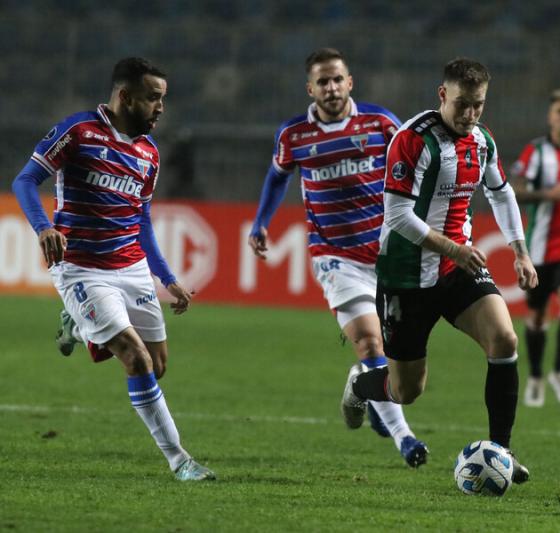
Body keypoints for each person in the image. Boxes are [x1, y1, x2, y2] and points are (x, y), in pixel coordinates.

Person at [12, 57, 215, 481]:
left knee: (157, 365)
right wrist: (44, 227)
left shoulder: (148, 153)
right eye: (153, 98)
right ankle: (181, 461)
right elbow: (25, 181)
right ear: (125, 96)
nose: (161, 107)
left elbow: (140, 221)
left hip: (131, 266)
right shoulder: (78, 132)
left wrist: (168, 278)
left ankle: (79, 324)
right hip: (81, 268)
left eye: (163, 99)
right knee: (135, 358)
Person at [339, 58, 538, 483]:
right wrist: (455, 247)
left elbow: (501, 195)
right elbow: (396, 215)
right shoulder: (412, 140)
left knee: (504, 339)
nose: (470, 115)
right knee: (407, 392)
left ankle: (501, 451)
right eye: (462, 104)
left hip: (455, 269)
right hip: (406, 276)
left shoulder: (482, 141)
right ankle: (362, 384)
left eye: (478, 106)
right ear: (442, 94)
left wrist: (520, 251)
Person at [247, 47, 427, 467]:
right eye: (322, 82)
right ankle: (406, 439)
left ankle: (364, 387)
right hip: (335, 255)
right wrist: (260, 223)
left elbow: (415, 168)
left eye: (337, 79)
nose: (330, 88)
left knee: (399, 356)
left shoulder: (381, 124)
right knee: (368, 340)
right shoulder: (294, 135)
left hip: (387, 253)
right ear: (310, 88)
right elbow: (277, 177)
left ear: (350, 83)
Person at [510, 88, 560, 407]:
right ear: (550, 117)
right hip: (539, 247)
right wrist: (548, 193)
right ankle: (535, 376)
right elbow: (515, 189)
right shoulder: (536, 151)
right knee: (538, 316)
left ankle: (559, 371)